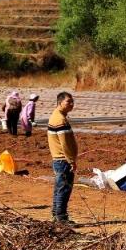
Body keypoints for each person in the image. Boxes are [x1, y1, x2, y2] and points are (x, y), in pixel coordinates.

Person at [47, 91, 77, 224]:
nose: (71, 104)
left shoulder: (58, 116)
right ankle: (61, 217)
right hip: (63, 160)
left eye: (72, 101)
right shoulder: (59, 120)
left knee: (59, 188)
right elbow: (65, 144)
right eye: (68, 102)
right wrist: (71, 160)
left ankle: (56, 214)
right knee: (64, 188)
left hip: (59, 159)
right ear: (60, 103)